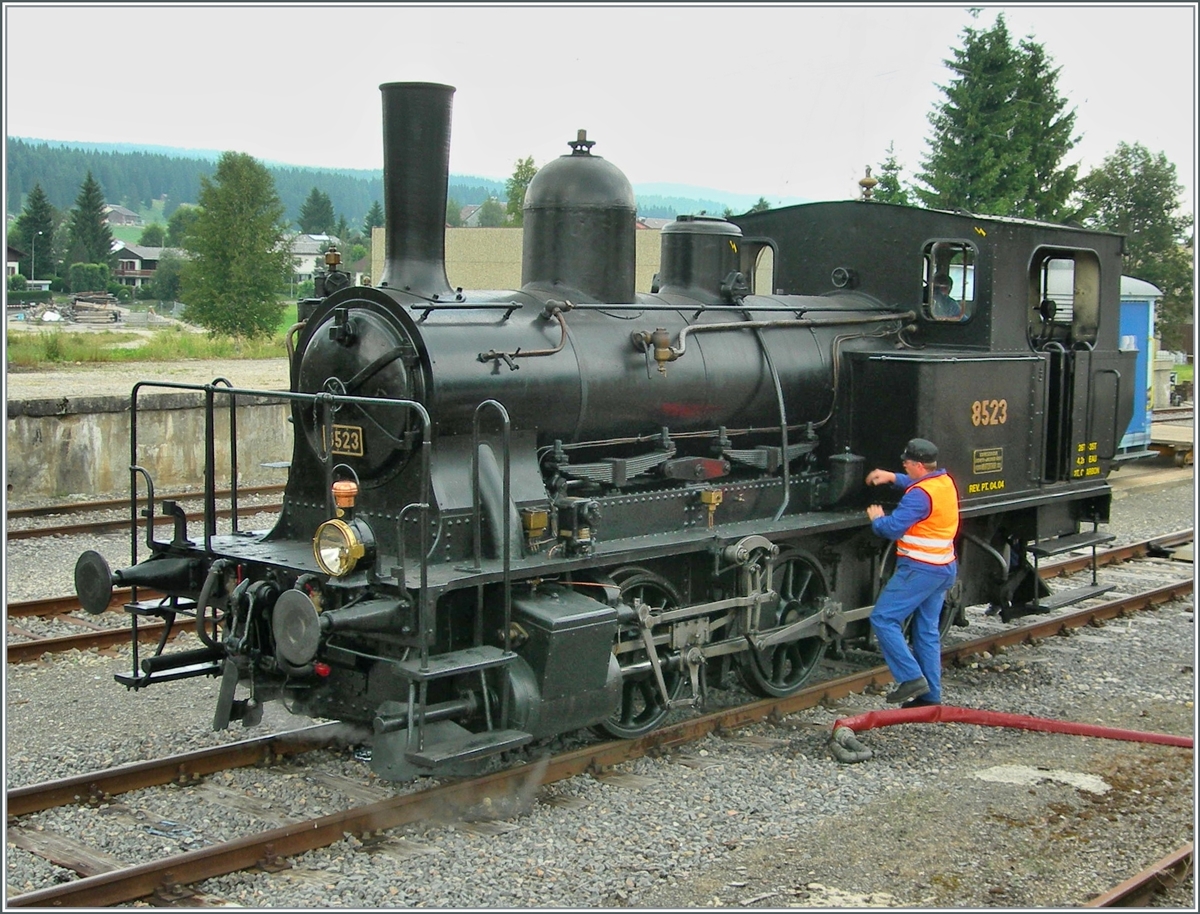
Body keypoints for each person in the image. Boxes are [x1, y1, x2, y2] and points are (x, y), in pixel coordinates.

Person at [864, 438, 960, 706]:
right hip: (944, 568)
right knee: (926, 631)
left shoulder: (919, 496)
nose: (903, 465)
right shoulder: (943, 482)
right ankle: (930, 697)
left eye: (906, 463)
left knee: (883, 618)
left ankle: (910, 678)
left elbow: (892, 529)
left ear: (918, 464)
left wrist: (877, 518)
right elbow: (917, 485)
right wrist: (892, 477)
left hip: (920, 568)